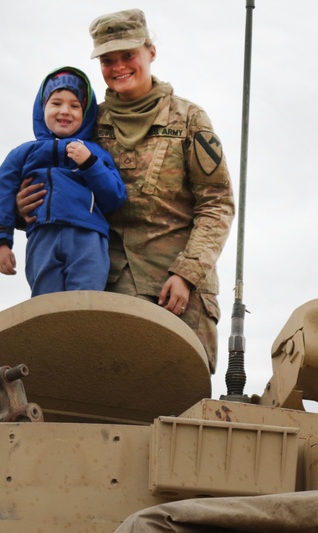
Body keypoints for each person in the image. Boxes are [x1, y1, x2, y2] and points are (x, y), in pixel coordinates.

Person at [17, 9, 234, 373]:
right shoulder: (88, 122)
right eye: (107, 59)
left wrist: (187, 274)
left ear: (150, 51)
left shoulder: (188, 119)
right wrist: (22, 210)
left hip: (177, 294)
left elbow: (217, 204)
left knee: (176, 406)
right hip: (107, 287)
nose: (118, 67)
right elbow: (55, 184)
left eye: (128, 55)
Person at [0, 67, 127, 297]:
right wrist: (1, 243)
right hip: (42, 237)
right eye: (56, 103)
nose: (65, 111)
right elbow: (2, 195)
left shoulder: (95, 153)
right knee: (46, 304)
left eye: (75, 106)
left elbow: (115, 197)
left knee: (86, 302)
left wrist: (89, 164)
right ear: (42, 108)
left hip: (88, 238)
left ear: (86, 114)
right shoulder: (22, 153)